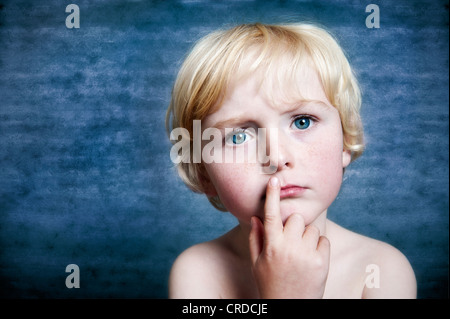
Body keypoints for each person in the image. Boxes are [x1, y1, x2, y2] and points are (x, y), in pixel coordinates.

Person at [166, 23, 416, 298]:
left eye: (303, 121)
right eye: (238, 137)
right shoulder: (197, 272)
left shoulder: (380, 269)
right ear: (203, 173)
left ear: (345, 140)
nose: (277, 158)